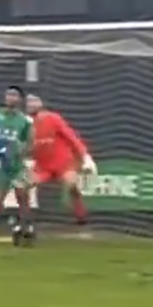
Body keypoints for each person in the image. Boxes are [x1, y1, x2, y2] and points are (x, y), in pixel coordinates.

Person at [26, 94, 97, 236]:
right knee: (24, 185)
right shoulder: (26, 124)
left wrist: (85, 157)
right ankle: (25, 219)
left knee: (71, 185)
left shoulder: (53, 118)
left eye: (34, 101)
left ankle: (81, 217)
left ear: (41, 103)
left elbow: (72, 137)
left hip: (63, 163)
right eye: (28, 101)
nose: (31, 104)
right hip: (43, 166)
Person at [0, 86, 34, 238]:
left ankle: (27, 227)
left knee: (22, 197)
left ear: (20, 99)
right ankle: (13, 223)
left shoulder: (25, 120)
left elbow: (30, 142)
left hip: (18, 165)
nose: (10, 98)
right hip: (3, 166)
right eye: (8, 94)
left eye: (14, 95)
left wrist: (22, 151)